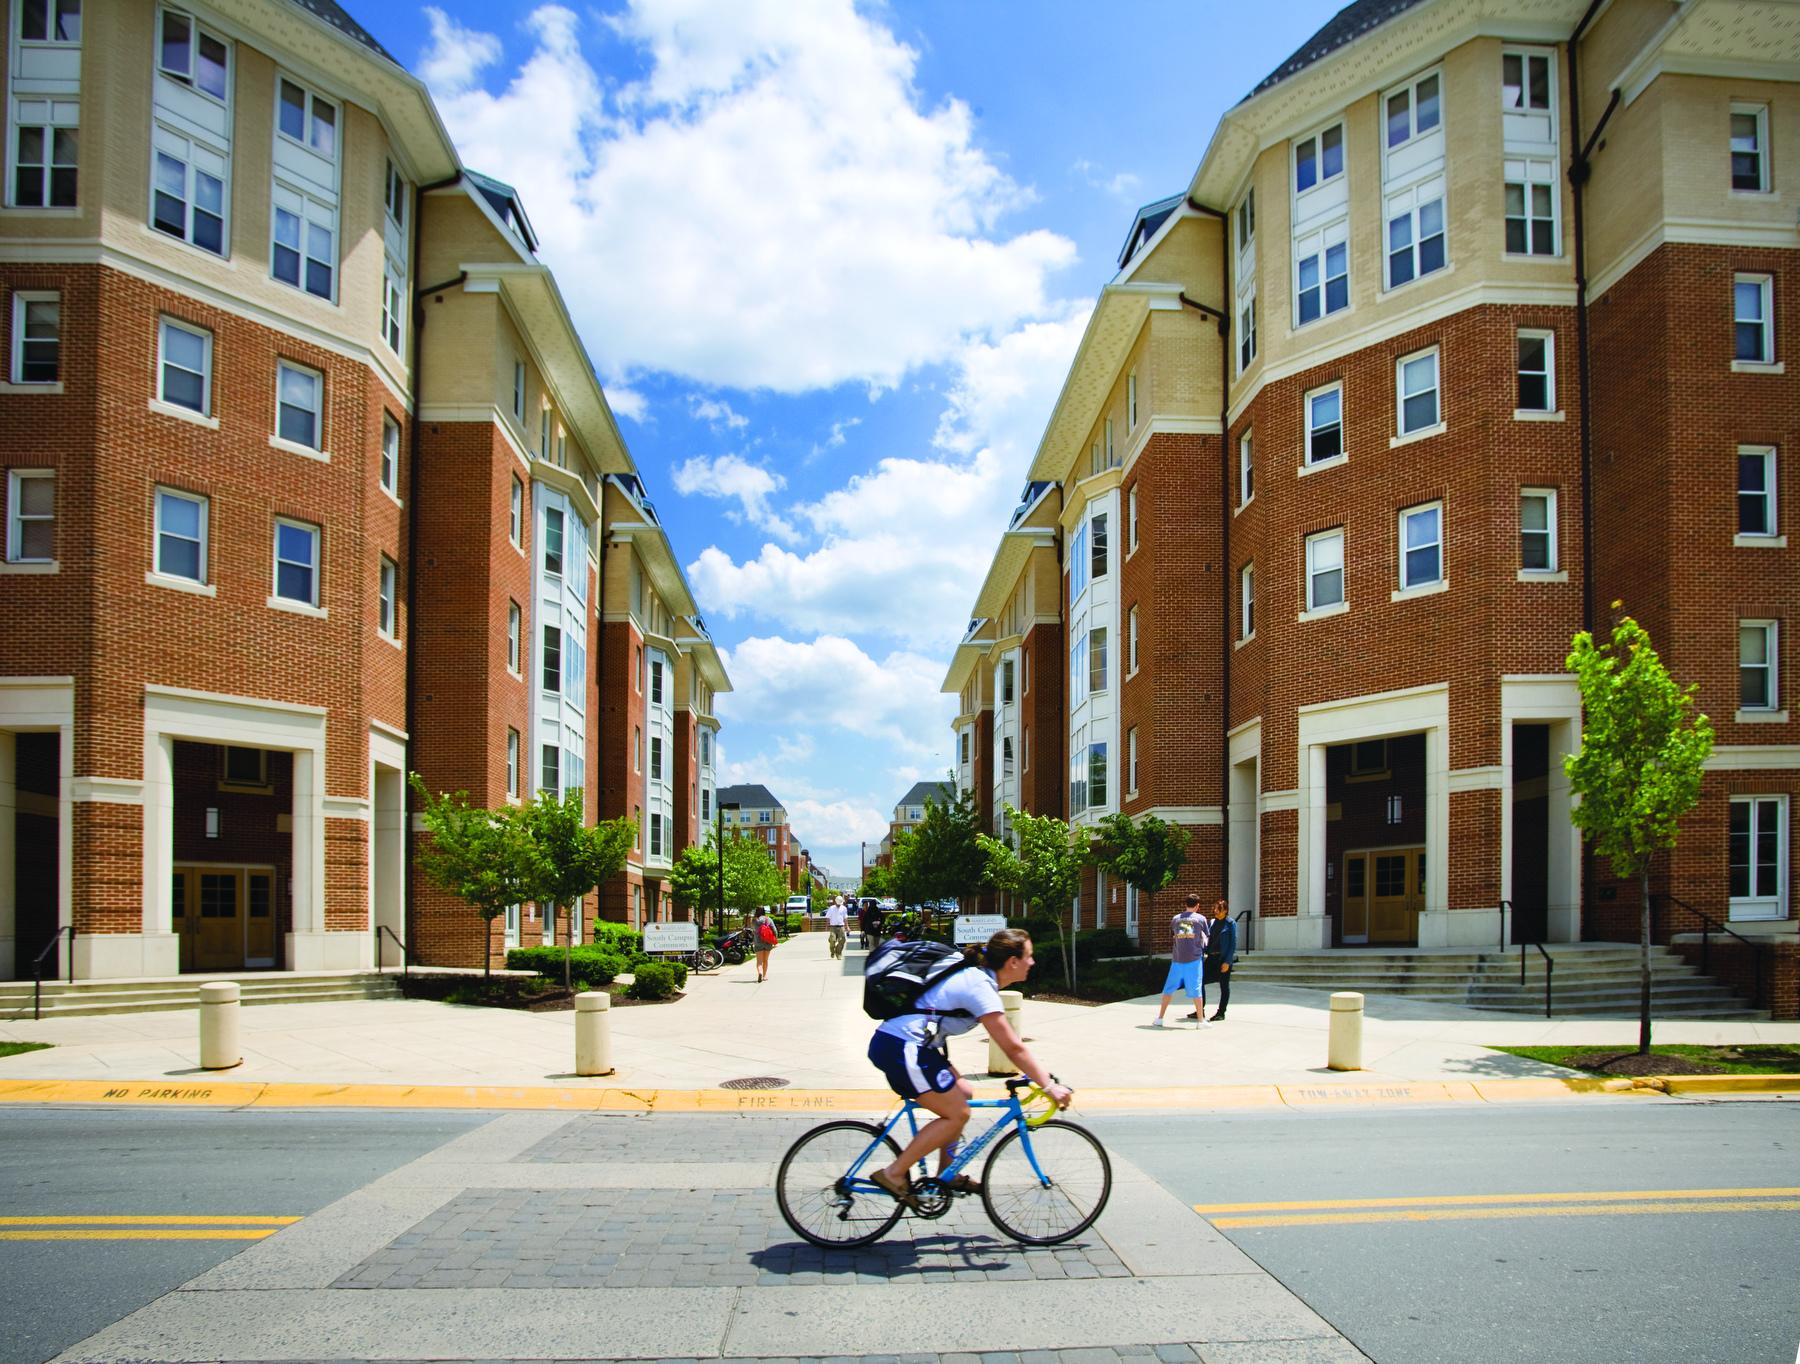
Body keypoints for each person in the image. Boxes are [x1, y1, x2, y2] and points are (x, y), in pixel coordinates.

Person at [867, 928, 1071, 1207]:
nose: (1032, 963)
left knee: (963, 1092)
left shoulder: (980, 980)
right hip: (902, 1047)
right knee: (957, 1113)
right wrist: (1048, 1085)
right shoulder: (981, 988)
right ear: (1012, 962)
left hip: (912, 1046)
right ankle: (893, 1173)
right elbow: (1013, 1047)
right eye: (1029, 957)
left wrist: (1042, 1079)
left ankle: (946, 1174)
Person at [1153, 893, 1210, 1028]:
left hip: (1177, 959)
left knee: (1169, 989)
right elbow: (1206, 936)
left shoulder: (1175, 919)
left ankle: (1160, 1018)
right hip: (1194, 960)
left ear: (1185, 904)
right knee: (1196, 989)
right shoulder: (1201, 919)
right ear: (1197, 906)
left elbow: (1172, 935)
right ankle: (1201, 1021)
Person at [1190, 898, 1236, 1022]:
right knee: (1200, 982)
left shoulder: (1230, 923)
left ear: (1225, 910)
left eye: (1218, 909)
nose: (1215, 911)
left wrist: (1228, 961)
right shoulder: (1212, 923)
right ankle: (1200, 1010)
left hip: (1223, 959)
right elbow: (1205, 938)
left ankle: (1221, 1012)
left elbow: (1232, 944)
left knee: (1224, 986)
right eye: (1214, 908)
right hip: (1211, 957)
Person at [753, 906, 778, 983]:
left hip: (758, 942)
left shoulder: (754, 920)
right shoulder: (768, 919)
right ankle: (764, 975)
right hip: (768, 942)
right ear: (764, 911)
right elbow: (775, 930)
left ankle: (760, 972)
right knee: (765, 960)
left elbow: (753, 930)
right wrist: (775, 939)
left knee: (759, 961)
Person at [825, 895, 848, 960]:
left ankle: (838, 953)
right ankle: (832, 951)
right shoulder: (831, 908)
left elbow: (845, 918)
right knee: (832, 941)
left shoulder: (844, 908)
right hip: (833, 927)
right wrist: (827, 926)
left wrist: (847, 927)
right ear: (835, 902)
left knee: (842, 940)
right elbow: (828, 918)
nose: (839, 905)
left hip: (841, 927)